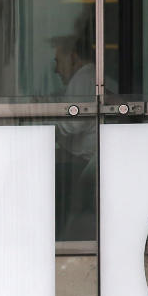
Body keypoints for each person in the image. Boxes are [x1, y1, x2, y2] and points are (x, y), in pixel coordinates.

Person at [51, 34, 97, 239]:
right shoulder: (91, 77)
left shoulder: (84, 77)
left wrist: (44, 133)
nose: (56, 70)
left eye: (58, 62)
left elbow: (73, 122)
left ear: (74, 57)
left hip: (88, 163)